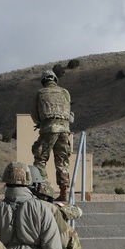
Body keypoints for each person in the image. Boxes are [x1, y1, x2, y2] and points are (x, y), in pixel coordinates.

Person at [30, 69, 74, 202]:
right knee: (62, 161)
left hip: (49, 129)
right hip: (64, 129)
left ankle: (44, 192)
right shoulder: (65, 92)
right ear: (55, 80)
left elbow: (34, 113)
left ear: (44, 81)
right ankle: (63, 192)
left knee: (40, 159)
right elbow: (68, 111)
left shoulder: (40, 93)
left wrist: (40, 123)